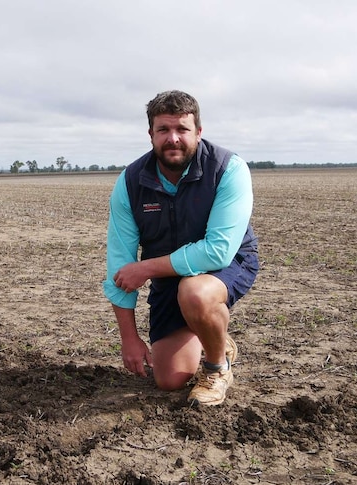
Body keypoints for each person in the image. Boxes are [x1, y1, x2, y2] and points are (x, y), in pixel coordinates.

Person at [103, 90, 259, 406]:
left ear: (198, 132)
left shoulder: (228, 169)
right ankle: (215, 336)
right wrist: (129, 339)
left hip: (225, 265)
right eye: (163, 130)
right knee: (169, 379)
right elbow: (119, 265)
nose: (173, 138)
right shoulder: (131, 182)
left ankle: (216, 368)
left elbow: (217, 252)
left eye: (182, 129)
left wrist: (146, 268)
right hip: (170, 278)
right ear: (151, 135)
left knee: (195, 293)